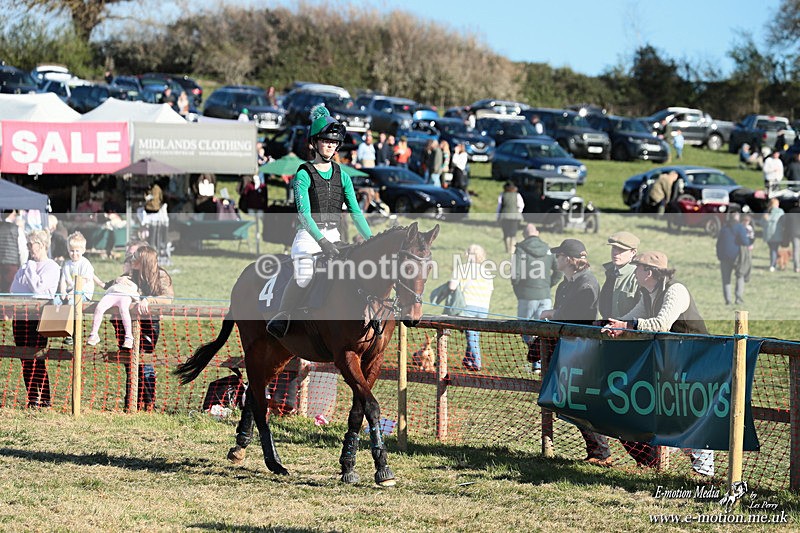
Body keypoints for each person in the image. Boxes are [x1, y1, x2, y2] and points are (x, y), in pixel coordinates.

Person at [602, 251, 714, 477]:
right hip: (673, 360)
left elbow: (660, 324)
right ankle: (670, 462)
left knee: (691, 415)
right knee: (673, 413)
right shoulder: (648, 293)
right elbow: (631, 318)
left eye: (637, 268)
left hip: (697, 359)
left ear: (649, 272)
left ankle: (704, 473)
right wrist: (614, 325)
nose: (634, 272)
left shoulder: (676, 290)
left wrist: (627, 325)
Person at [267, 104, 372, 339]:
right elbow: (304, 216)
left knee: (354, 272)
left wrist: (371, 239)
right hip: (308, 237)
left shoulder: (343, 176)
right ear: (314, 142)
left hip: (335, 236)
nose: (331, 146)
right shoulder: (303, 174)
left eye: (334, 143)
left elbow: (356, 212)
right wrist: (322, 242)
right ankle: (283, 316)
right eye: (326, 141)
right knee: (304, 275)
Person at [539, 238, 603, 464]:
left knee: (579, 402)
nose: (555, 259)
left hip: (580, 350)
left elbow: (578, 315)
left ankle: (601, 452)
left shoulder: (586, 284)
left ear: (567, 258)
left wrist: (551, 314)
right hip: (565, 346)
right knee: (570, 402)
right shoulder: (565, 284)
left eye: (558, 255)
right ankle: (597, 452)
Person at [116, 242, 174, 410]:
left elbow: (168, 298)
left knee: (145, 360)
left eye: (136, 257)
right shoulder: (134, 274)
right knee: (130, 361)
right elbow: (122, 284)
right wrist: (119, 281)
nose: (132, 259)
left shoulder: (161, 276)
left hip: (150, 323)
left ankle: (149, 402)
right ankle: (132, 401)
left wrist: (149, 300)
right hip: (130, 322)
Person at [10, 229, 60, 408]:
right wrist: (29, 275)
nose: (31, 248)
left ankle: (45, 398)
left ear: (43, 244)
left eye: (34, 244)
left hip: (39, 317)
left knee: (37, 355)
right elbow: (15, 289)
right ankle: (32, 398)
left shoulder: (51, 267)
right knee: (24, 357)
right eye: (28, 245)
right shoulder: (25, 266)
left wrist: (30, 271)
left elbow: (39, 291)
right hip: (20, 316)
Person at [511, 224, 561, 372]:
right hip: (545, 295)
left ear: (524, 234)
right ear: (537, 233)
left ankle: (536, 360)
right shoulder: (548, 249)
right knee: (544, 330)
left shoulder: (520, 249)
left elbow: (515, 275)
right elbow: (558, 270)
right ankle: (541, 363)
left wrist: (519, 291)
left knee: (524, 328)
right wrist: (548, 285)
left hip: (527, 296)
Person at [449, 244, 494, 371]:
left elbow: (452, 287)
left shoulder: (462, 268)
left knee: (471, 336)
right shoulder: (487, 272)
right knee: (473, 335)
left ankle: (477, 363)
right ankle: (467, 360)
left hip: (468, 305)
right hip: (484, 307)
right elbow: (490, 290)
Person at [87, 274, 139, 349]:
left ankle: (129, 337)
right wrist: (91, 274)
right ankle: (94, 334)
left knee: (124, 310)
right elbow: (104, 285)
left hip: (126, 294)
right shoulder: (117, 280)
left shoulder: (136, 278)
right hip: (112, 293)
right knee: (99, 308)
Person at [716, 211, 753, 305]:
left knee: (726, 279)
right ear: (738, 218)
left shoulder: (724, 228)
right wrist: (750, 241)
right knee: (740, 276)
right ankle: (738, 298)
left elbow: (718, 243)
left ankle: (728, 300)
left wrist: (719, 255)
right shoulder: (740, 227)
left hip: (724, 256)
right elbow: (745, 241)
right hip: (737, 256)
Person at [0, 210, 26, 293]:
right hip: (12, 265)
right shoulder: (16, 229)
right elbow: (23, 249)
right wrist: (22, 264)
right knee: (10, 292)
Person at [496, 181, 524, 253]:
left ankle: (507, 249)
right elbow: (521, 205)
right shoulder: (517, 195)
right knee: (513, 234)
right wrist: (518, 213)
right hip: (515, 217)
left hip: (504, 216)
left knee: (506, 233)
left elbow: (499, 207)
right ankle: (512, 249)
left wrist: (497, 216)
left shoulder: (502, 195)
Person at [761, 197, 785, 272]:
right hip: (777, 233)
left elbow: (761, 222)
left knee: (772, 249)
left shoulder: (766, 212)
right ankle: (773, 264)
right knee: (774, 249)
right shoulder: (780, 211)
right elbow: (783, 221)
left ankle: (774, 264)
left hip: (767, 233)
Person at [784, 202, 800, 273]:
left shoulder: (791, 211)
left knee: (795, 250)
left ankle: (797, 267)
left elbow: (787, 224)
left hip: (794, 232)